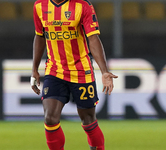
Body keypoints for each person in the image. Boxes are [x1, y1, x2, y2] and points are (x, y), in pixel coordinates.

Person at [31, 0, 118, 149]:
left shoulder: (82, 5)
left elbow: (93, 38)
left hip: (81, 71)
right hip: (55, 70)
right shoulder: (39, 5)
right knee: (50, 118)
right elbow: (40, 36)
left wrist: (104, 71)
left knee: (88, 120)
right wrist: (34, 69)